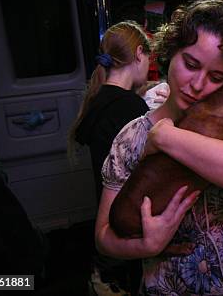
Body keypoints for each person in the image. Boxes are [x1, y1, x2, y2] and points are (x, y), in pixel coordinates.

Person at [94, 0, 223, 295]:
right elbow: (104, 237)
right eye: (190, 63)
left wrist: (166, 136)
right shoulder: (130, 137)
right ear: (169, 52)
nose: (198, 84)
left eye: (217, 76)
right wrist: (146, 244)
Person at [69, 20, 153, 295]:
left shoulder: (100, 99)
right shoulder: (130, 107)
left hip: (107, 227)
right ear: (139, 53)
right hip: (126, 225)